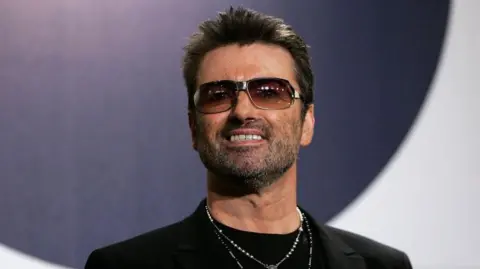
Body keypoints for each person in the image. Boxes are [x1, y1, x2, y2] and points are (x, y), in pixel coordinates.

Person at [84, 6, 413, 269]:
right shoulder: (124, 265)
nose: (242, 111)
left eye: (269, 92)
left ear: (307, 122)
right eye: (217, 95)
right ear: (193, 129)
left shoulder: (382, 265)